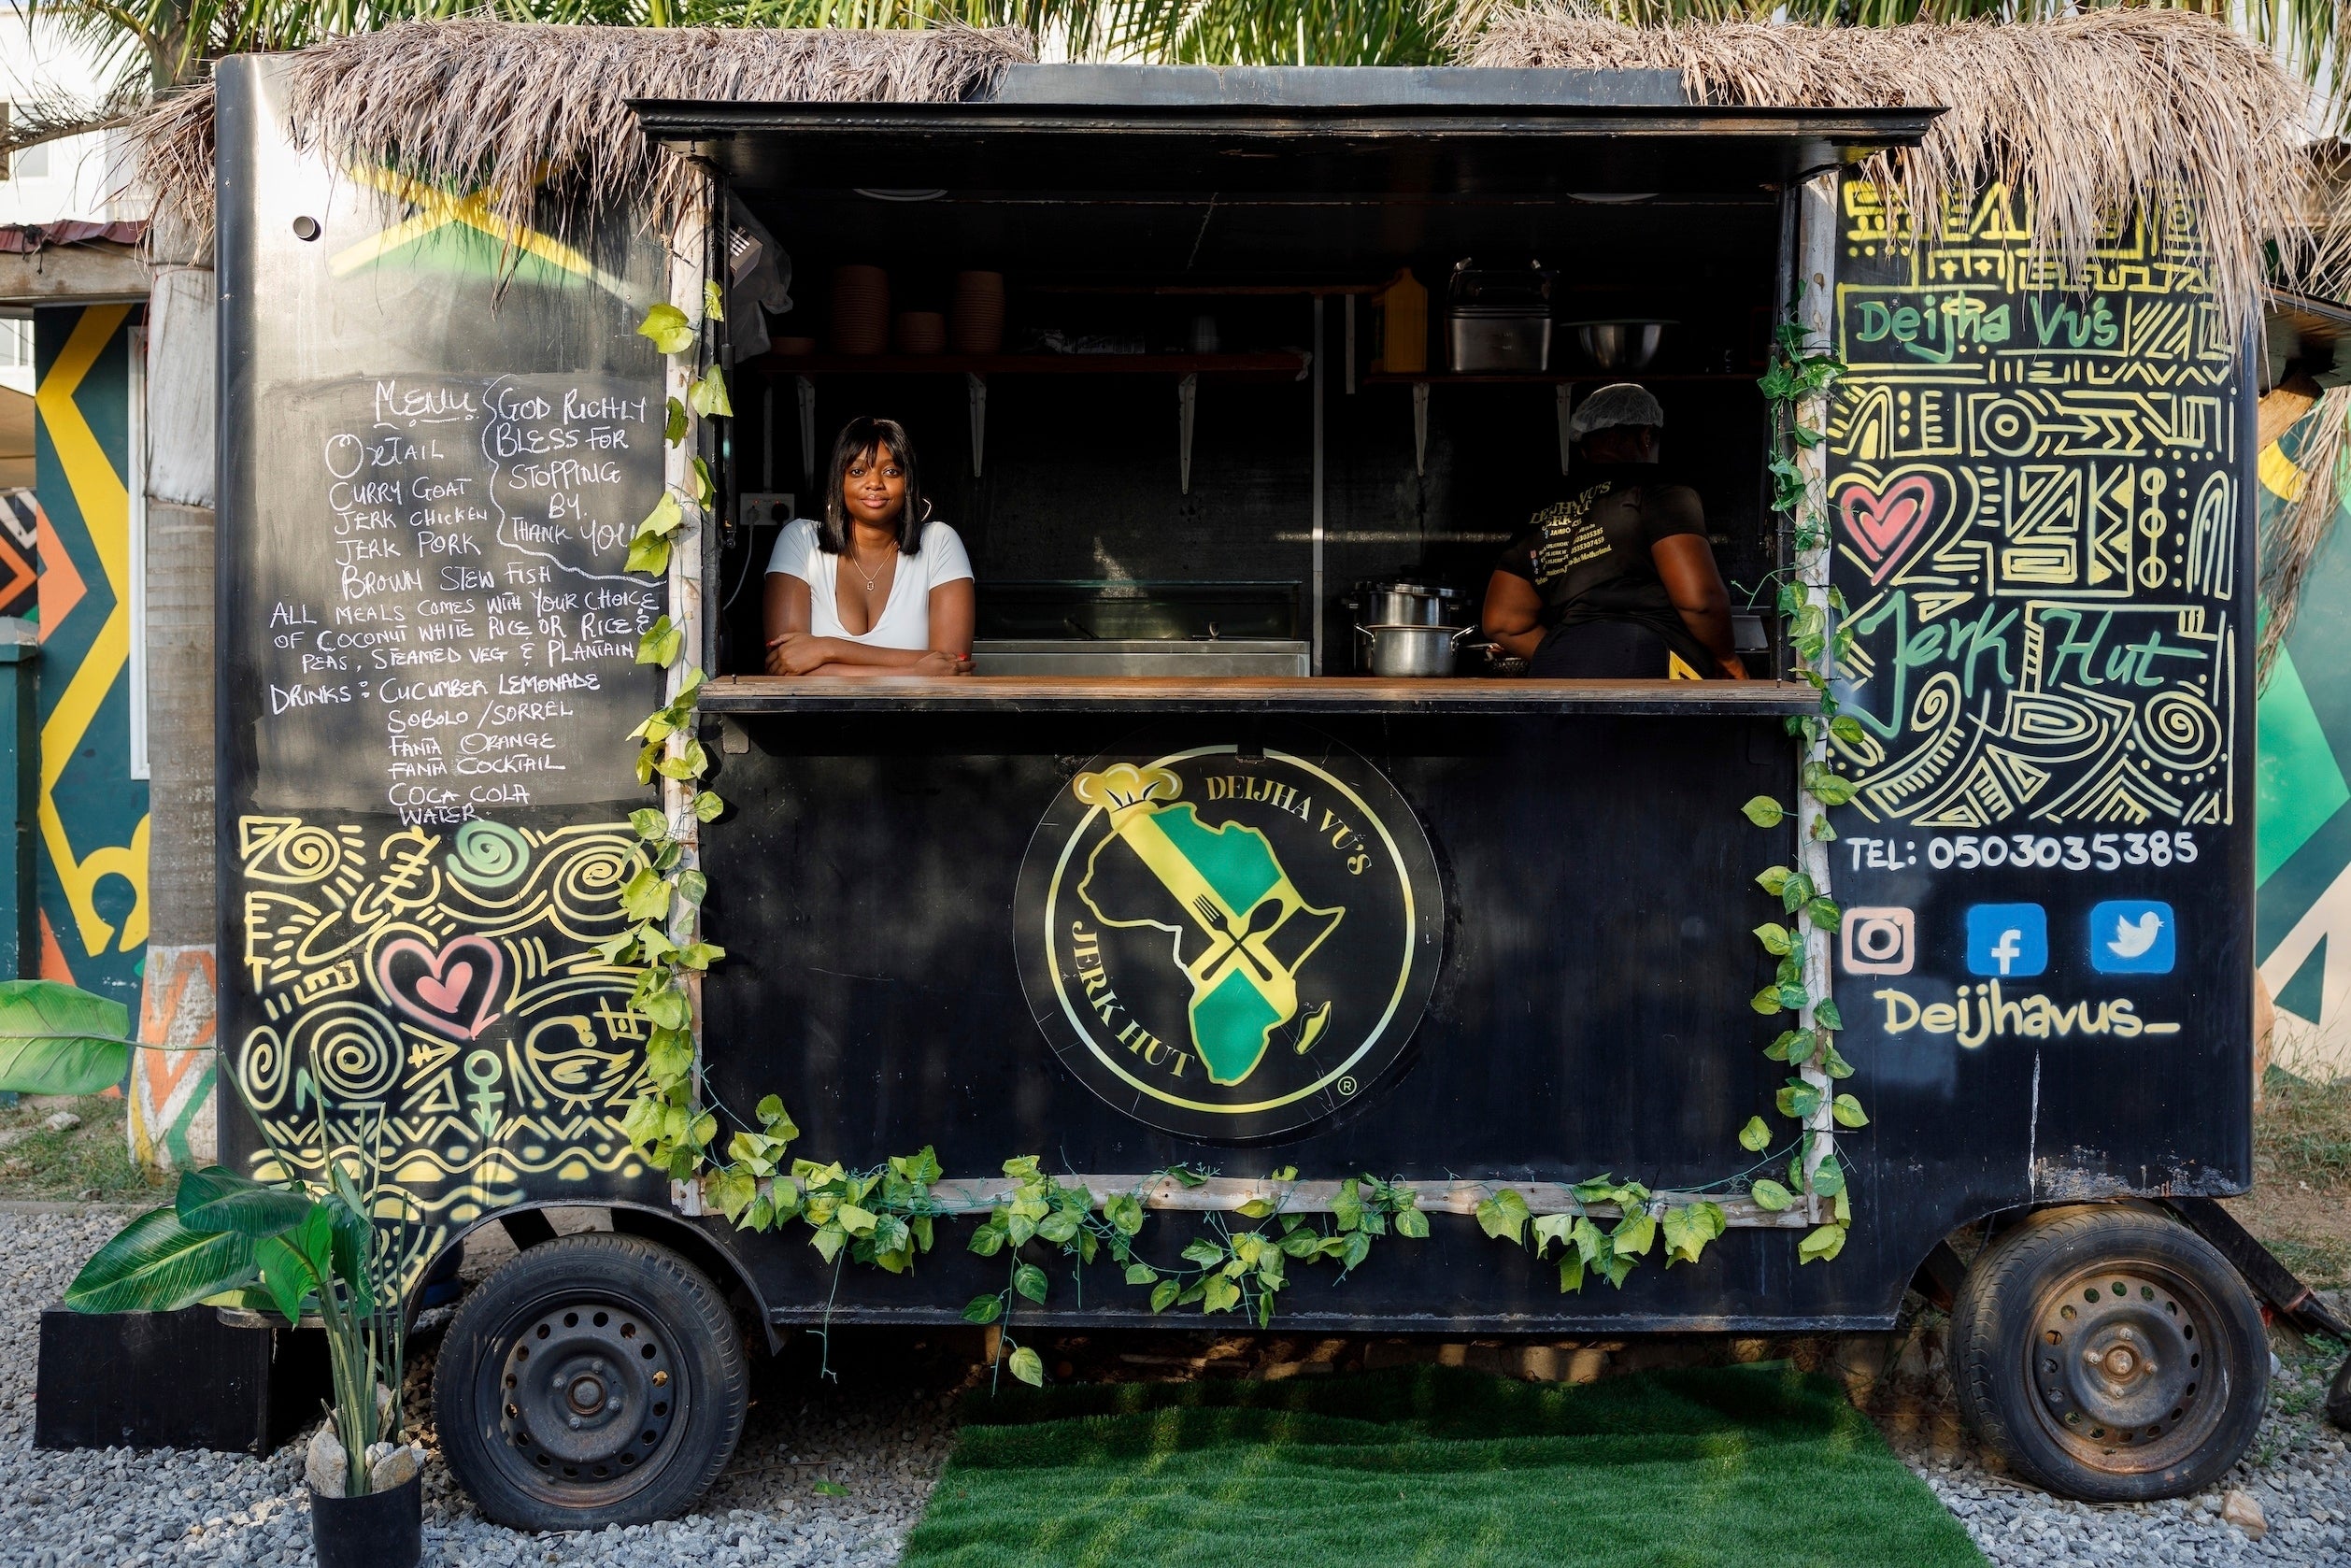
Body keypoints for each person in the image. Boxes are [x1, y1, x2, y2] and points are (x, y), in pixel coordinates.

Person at [1480, 383, 1746, 680]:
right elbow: (1699, 600)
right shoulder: (1659, 493)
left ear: (1584, 448)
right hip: (1646, 656)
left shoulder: (1541, 513)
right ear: (1647, 437)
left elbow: (1502, 621)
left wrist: (1571, 658)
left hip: (1555, 659)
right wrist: (1727, 657)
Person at [763, 417, 976, 677]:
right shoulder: (801, 540)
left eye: (891, 472)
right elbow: (786, 664)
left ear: (908, 483)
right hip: (817, 718)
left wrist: (827, 649)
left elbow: (954, 664)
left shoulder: (939, 543)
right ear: (838, 482)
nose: (874, 483)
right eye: (857, 471)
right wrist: (914, 672)